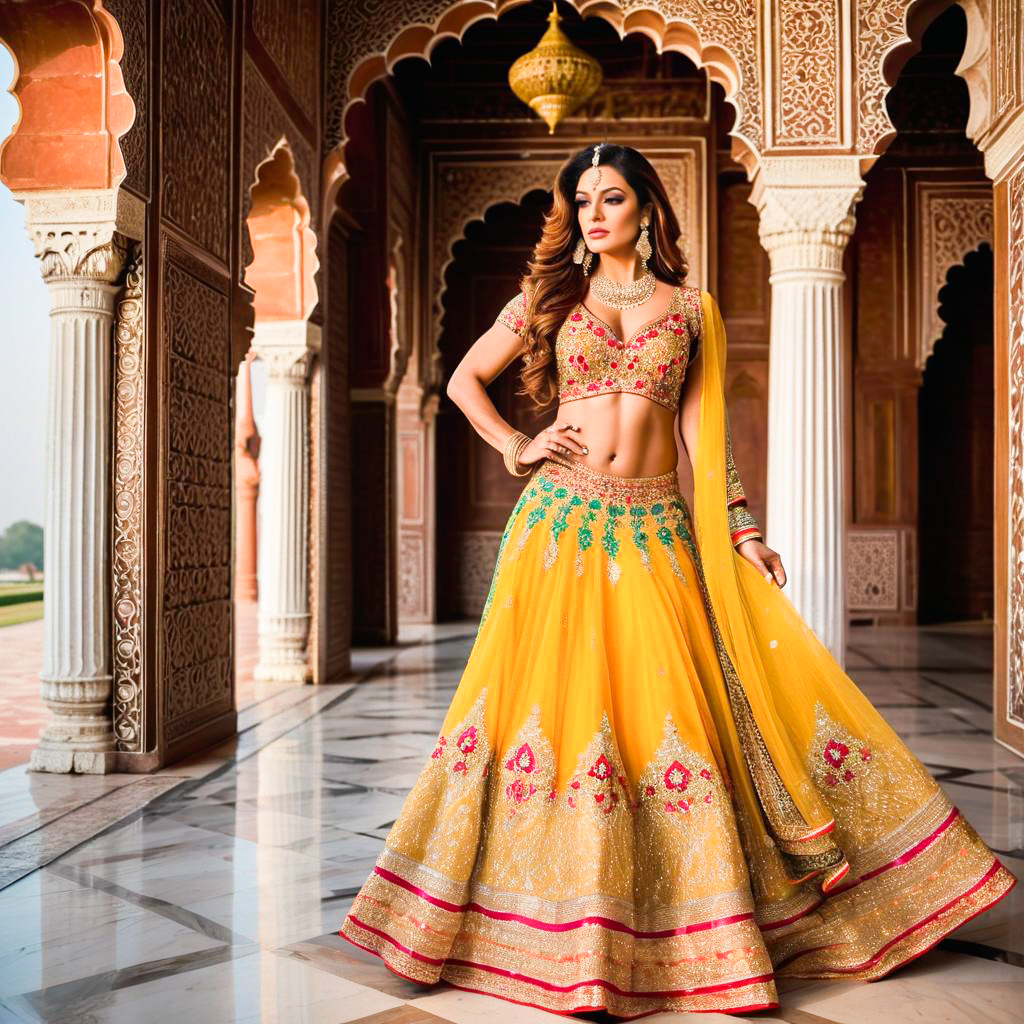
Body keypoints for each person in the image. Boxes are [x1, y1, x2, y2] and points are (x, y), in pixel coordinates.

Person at [338, 143, 1015, 1018]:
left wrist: (741, 529)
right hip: (562, 526)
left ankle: (684, 924)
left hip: (657, 525)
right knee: (551, 713)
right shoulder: (548, 299)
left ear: (646, 208)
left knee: (666, 717)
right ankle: (550, 925)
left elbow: (704, 434)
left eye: (610, 197)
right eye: (581, 200)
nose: (593, 213)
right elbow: (466, 378)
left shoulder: (692, 308)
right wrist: (516, 443)